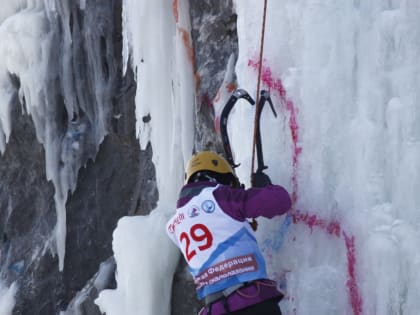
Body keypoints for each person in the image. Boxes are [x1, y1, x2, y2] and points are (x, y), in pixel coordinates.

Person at [166, 151, 292, 315]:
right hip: (249, 303)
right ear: (221, 178)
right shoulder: (219, 196)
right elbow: (280, 201)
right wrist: (264, 188)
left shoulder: (174, 226)